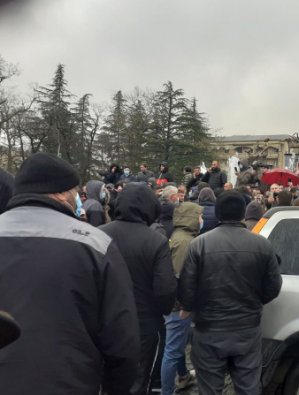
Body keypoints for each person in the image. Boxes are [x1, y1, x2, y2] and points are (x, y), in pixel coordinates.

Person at [0, 153, 139, 394]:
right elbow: (122, 337)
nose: (79, 198)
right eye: (76, 191)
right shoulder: (95, 243)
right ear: (61, 192)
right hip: (69, 382)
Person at [178, 191, 283, 395]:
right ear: (243, 214)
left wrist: (189, 309)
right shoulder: (262, 244)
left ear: (217, 214)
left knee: (209, 388)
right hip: (247, 327)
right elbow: (273, 286)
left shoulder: (199, 244)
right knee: (248, 387)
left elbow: (187, 288)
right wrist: (254, 302)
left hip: (209, 329)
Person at [100, 184, 178, 395]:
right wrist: (163, 310)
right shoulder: (156, 240)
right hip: (143, 324)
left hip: (103, 321)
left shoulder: (97, 235)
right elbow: (165, 288)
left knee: (103, 378)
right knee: (138, 381)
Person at [161, 202, 202, 395]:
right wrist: (184, 305)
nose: (202, 220)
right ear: (191, 218)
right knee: (172, 351)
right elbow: (180, 276)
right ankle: (167, 391)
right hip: (179, 307)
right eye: (199, 216)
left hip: (174, 305)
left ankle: (183, 376)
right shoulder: (186, 242)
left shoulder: (178, 237)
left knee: (176, 347)